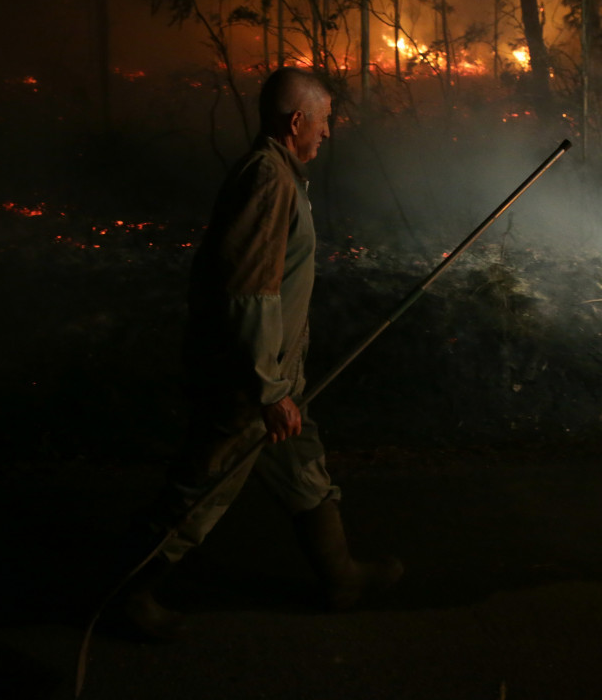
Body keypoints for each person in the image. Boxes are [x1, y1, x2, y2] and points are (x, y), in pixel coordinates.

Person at [114, 67, 403, 640]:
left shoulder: (279, 175)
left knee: (303, 466)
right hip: (248, 383)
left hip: (272, 374)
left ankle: (340, 576)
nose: (327, 132)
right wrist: (269, 390)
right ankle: (125, 595)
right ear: (297, 121)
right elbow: (250, 291)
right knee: (203, 491)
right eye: (323, 122)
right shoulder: (269, 180)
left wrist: (282, 381)